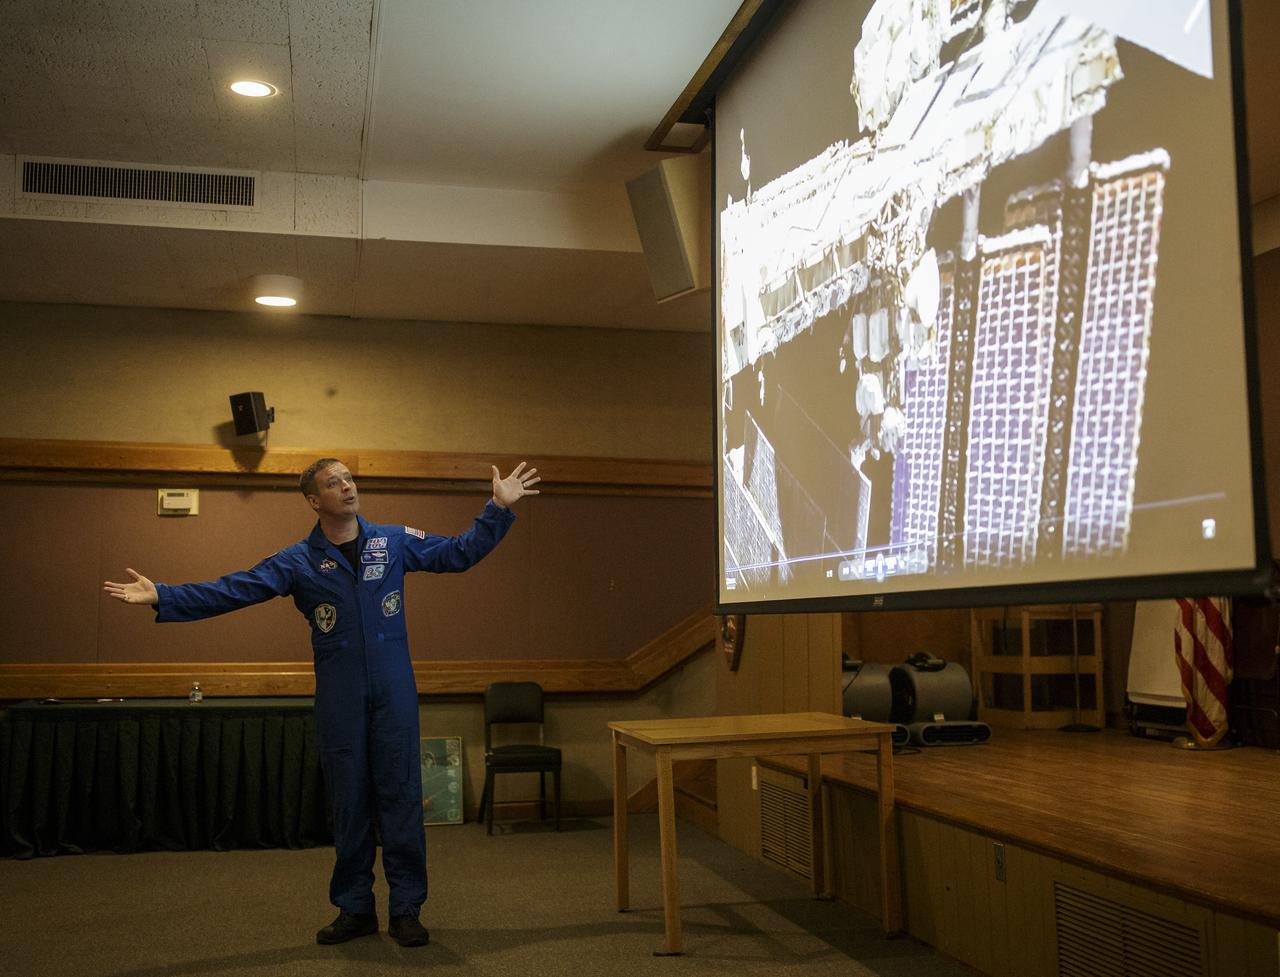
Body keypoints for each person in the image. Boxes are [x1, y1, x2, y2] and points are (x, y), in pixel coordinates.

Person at [104, 458, 540, 947]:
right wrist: (163, 595)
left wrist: (497, 508)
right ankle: (354, 908)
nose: (347, 486)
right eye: (334, 483)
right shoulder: (298, 561)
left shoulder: (391, 541)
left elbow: (458, 553)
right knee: (349, 807)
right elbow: (235, 589)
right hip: (341, 700)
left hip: (394, 694)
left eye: (349, 478)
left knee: (400, 802)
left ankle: (406, 909)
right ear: (314, 500)